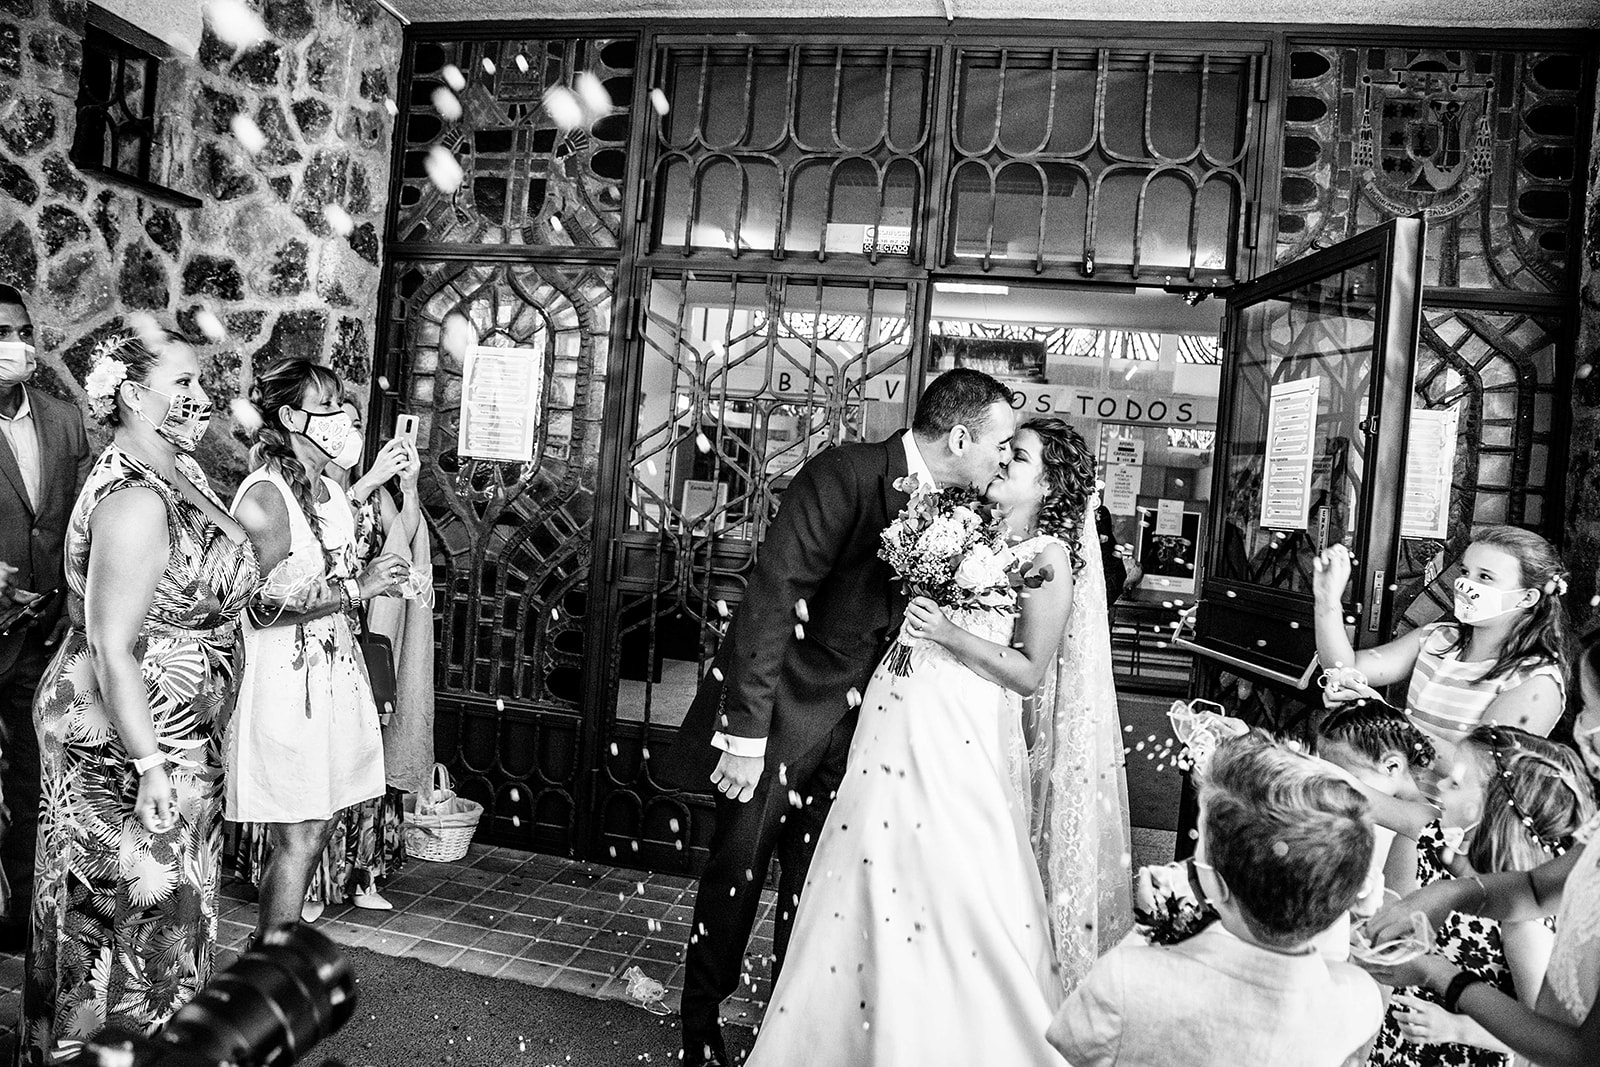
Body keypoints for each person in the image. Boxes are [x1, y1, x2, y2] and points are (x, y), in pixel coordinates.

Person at [658, 368, 1018, 1067]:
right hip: (781, 717)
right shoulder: (846, 473)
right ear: (962, 434)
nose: (1003, 458)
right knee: (737, 874)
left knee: (815, 886)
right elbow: (772, 593)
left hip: (865, 734)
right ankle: (700, 1027)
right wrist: (744, 735)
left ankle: (788, 1032)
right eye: (1001, 444)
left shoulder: (957, 511)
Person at [743, 416, 1122, 1065]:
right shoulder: (970, 523)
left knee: (942, 871)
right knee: (864, 857)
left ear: (1052, 481)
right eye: (1004, 450)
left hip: (957, 725)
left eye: (1020, 456)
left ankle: (929, 1026)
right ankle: (842, 1019)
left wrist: (948, 632)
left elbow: (1029, 672)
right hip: (894, 707)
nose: (1003, 461)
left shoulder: (1047, 559)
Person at [20, 330, 259, 1061]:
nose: (197, 397)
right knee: (120, 923)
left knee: (165, 920)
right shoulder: (132, 497)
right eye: (179, 383)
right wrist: (151, 761)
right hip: (124, 744)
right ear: (129, 392)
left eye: (200, 383)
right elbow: (111, 644)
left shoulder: (176, 466)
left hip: (177, 739)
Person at [1048, 731, 1383, 1067]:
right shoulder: (1359, 999)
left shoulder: (1126, 980)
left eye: (1200, 840)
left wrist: (1149, 931)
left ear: (1218, 885)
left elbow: (1067, 1047)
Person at [228, 359, 408, 943]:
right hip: (285, 679)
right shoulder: (265, 496)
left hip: (332, 666)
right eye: (326, 406)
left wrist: (376, 573)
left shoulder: (329, 489)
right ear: (289, 416)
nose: (339, 420)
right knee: (299, 831)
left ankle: (272, 951)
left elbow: (335, 572)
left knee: (324, 817)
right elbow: (255, 605)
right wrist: (358, 588)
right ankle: (271, 959)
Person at [1361, 630, 1600, 1067]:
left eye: (1587, 708)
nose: (1580, 725)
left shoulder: (1523, 934)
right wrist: (1447, 893)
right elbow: (1533, 889)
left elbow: (1578, 1051)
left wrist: (1440, 980)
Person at [0, 284, 92, 951]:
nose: (15, 342)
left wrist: (72, 598)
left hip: (41, 635)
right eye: (1, 330)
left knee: (34, 779)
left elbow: (75, 519)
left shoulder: (62, 417)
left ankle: (19, 918)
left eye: (21, 329)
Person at [1313, 528, 1569, 754]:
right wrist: (1327, 599)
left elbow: (1478, 769)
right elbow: (1343, 668)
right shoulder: (1436, 638)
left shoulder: (1535, 681)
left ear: (1527, 598)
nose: (1465, 584)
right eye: (1466, 571)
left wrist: (1387, 722)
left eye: (1485, 577)